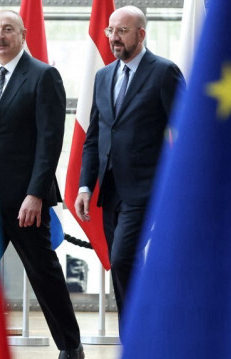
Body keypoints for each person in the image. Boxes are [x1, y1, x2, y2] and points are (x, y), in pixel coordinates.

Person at [0, 10, 84, 359]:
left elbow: (49, 141)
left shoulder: (43, 76)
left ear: (22, 35)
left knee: (44, 276)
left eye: (8, 29)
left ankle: (71, 346)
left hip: (25, 202)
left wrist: (35, 193)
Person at [75, 5, 186, 335]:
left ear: (141, 34)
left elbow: (187, 129)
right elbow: (94, 137)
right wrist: (84, 187)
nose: (114, 38)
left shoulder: (164, 72)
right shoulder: (103, 76)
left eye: (122, 31)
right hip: (110, 190)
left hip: (146, 188)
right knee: (121, 266)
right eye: (111, 31)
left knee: (123, 259)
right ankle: (136, 338)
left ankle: (144, 333)